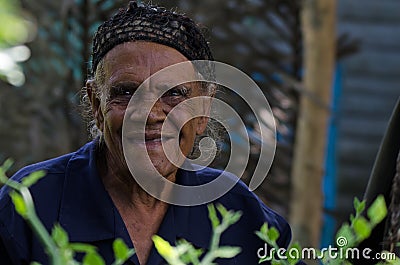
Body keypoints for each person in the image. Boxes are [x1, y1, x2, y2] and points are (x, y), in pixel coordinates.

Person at [0, 2, 292, 264]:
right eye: (126, 92)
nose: (151, 113)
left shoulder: (236, 211)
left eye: (175, 94)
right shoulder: (31, 204)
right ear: (96, 105)